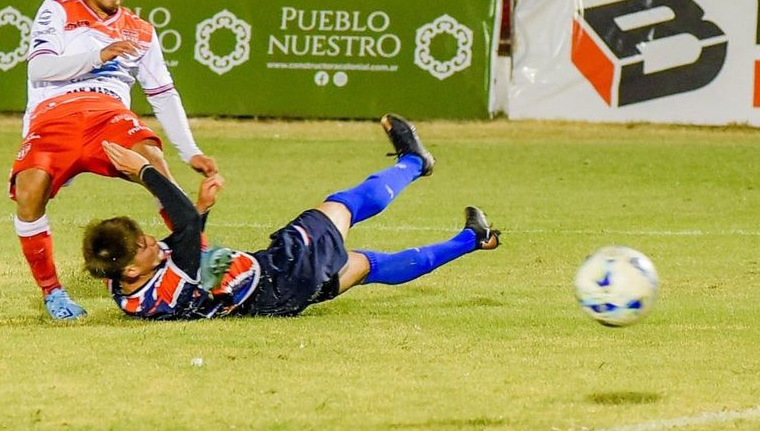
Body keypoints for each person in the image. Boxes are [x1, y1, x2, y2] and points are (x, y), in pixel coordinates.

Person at [83, 114, 501, 320]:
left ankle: (473, 239)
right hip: (280, 271)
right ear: (132, 269)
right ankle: (414, 162)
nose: (152, 242)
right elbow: (185, 235)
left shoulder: (127, 292)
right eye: (143, 247)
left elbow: (187, 251)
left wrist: (202, 212)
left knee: (368, 265)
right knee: (342, 206)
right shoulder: (164, 284)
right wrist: (144, 172)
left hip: (274, 299)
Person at [11, 0, 222, 321]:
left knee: (156, 165)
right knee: (29, 192)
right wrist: (99, 55)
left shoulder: (140, 31)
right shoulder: (57, 10)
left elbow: (163, 93)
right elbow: (38, 69)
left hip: (108, 116)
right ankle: (52, 292)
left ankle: (202, 257)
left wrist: (189, 150)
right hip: (54, 114)